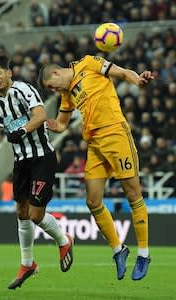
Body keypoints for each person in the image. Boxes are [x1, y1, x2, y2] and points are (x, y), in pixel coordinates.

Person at [0, 50, 73, 290]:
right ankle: (27, 264)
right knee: (21, 213)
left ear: (9, 73)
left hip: (42, 157)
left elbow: (41, 115)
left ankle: (64, 240)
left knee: (35, 215)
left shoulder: (24, 90)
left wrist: (23, 130)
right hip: (21, 162)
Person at [38, 55, 154, 280]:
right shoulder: (66, 93)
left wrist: (138, 80)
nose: (54, 90)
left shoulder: (89, 63)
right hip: (94, 143)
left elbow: (121, 72)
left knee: (133, 194)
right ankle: (119, 250)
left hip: (115, 133)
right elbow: (63, 123)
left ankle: (143, 254)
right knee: (92, 201)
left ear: (55, 73)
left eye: (52, 87)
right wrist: (54, 125)